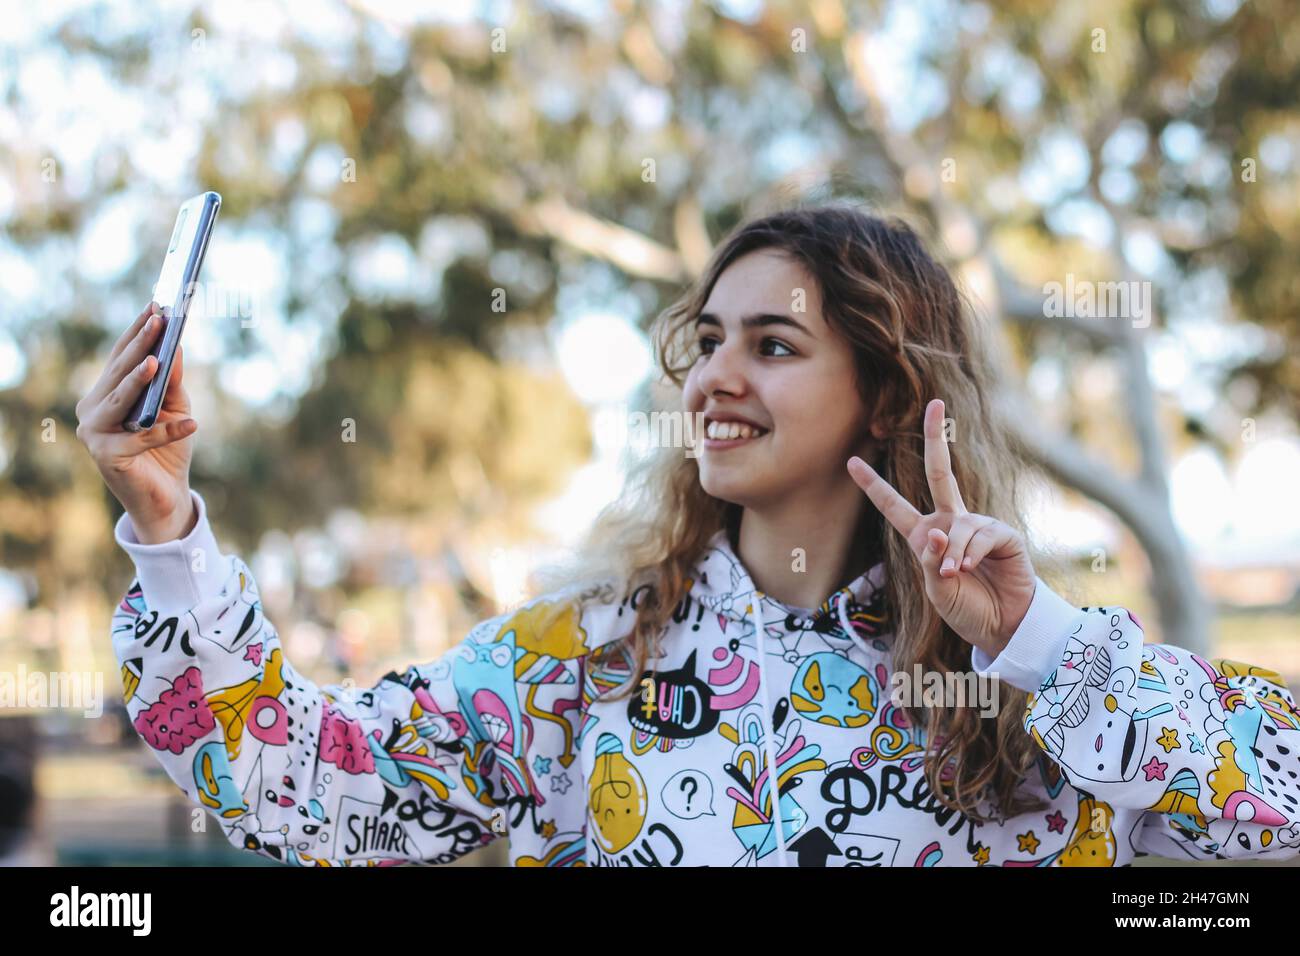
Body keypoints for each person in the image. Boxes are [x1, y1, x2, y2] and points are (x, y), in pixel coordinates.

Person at [77, 203, 1300, 866]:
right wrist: (167, 522)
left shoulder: (1045, 678)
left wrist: (1034, 644)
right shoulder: (581, 657)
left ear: (885, 391)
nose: (716, 372)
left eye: (773, 343)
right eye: (705, 338)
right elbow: (296, 784)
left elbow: (1279, 800)